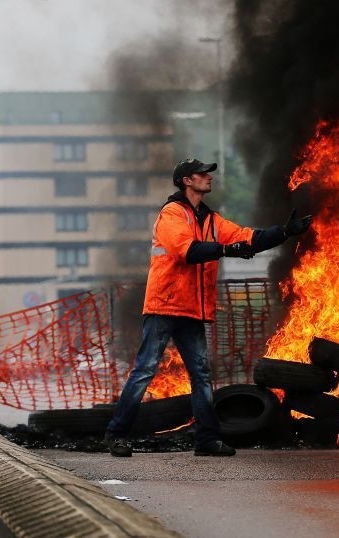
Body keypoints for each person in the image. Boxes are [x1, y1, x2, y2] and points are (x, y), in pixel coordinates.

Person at [104, 158, 312, 457]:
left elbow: (246, 237)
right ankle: (116, 434)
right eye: (203, 174)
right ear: (186, 180)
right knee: (145, 370)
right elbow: (185, 250)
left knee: (201, 374)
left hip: (191, 311)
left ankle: (207, 440)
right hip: (164, 306)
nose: (209, 178)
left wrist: (284, 232)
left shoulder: (212, 221)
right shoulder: (171, 214)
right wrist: (226, 250)